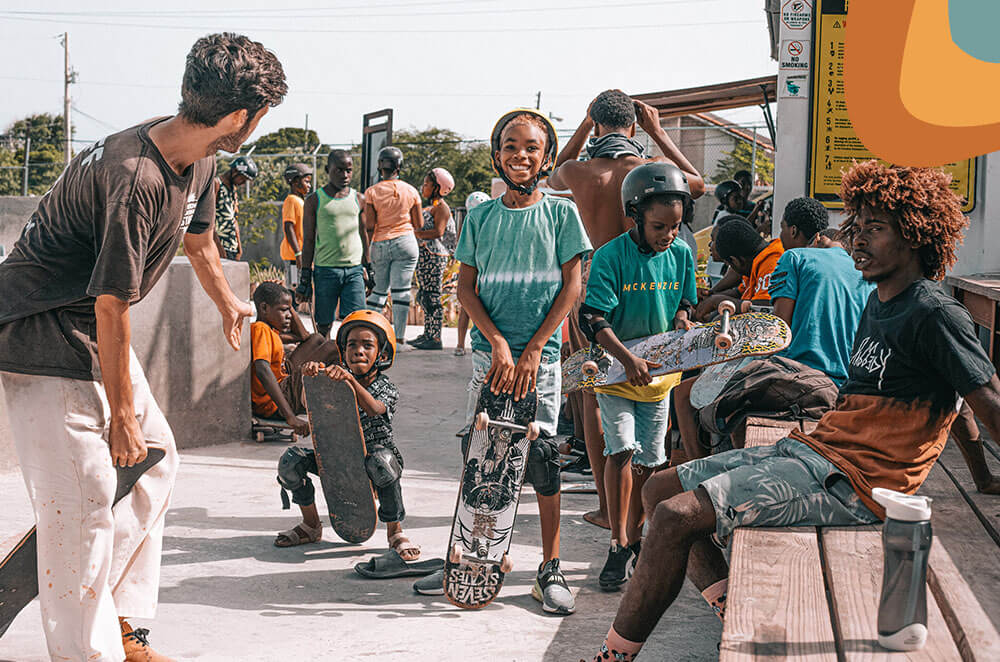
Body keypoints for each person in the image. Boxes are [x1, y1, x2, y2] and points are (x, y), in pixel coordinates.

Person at [583, 161, 1000, 662]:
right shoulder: (879, 301)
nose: (858, 239)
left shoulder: (934, 314)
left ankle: (612, 656)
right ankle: (730, 604)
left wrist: (982, 470)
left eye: (876, 228)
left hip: (861, 485)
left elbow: (984, 402)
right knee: (658, 490)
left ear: (914, 236)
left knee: (675, 517)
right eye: (857, 226)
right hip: (819, 451)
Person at [0, 33, 286, 662]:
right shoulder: (134, 176)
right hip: (42, 332)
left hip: (93, 328)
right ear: (241, 117)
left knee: (154, 464)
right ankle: (85, 651)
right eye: (262, 116)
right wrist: (121, 418)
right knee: (83, 511)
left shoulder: (197, 154)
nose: (260, 126)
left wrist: (228, 302)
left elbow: (200, 239)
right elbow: (112, 305)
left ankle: (124, 621)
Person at [413, 109, 591, 615]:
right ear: (497, 155)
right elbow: (466, 289)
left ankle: (549, 568)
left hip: (543, 361)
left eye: (531, 147)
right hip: (492, 361)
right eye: (510, 146)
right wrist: (498, 344)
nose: (521, 155)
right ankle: (465, 557)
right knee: (480, 456)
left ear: (547, 157)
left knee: (542, 459)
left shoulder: (561, 214)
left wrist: (534, 348)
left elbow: (571, 286)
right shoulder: (483, 217)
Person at [546, 89, 706, 531]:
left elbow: (552, 172)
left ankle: (607, 504)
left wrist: (582, 127)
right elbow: (697, 184)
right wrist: (658, 132)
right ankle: (641, 507)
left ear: (596, 125)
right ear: (634, 127)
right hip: (647, 283)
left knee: (596, 397)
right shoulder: (650, 174)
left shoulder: (579, 172)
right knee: (651, 392)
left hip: (595, 281)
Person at [675, 197, 873, 460]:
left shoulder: (794, 258)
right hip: (846, 384)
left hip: (799, 377)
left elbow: (776, 333)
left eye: (781, 228)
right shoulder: (862, 270)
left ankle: (698, 469)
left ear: (792, 231)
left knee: (685, 395)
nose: (778, 237)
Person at [577, 163, 696, 590]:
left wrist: (683, 320)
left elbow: (685, 301)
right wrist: (627, 359)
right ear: (635, 216)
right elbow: (594, 317)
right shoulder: (611, 256)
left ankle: (636, 536)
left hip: (660, 378)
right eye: (659, 226)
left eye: (675, 226)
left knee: (651, 459)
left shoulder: (681, 254)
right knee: (621, 449)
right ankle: (616, 541)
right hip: (614, 373)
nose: (668, 235)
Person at [273, 311, 426, 565]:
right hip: (336, 459)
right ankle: (311, 525)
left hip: (372, 466)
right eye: (352, 345)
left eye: (368, 346)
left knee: (383, 461)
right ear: (343, 352)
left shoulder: (386, 387)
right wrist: (311, 379)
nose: (359, 351)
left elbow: (375, 409)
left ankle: (395, 532)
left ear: (383, 355)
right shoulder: (334, 379)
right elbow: (308, 405)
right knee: (291, 461)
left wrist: (351, 383)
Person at [250, 282, 341, 444]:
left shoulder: (270, 329)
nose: (289, 315)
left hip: (284, 379)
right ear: (264, 309)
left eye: (289, 310)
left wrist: (287, 303)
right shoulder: (260, 329)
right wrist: (290, 417)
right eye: (284, 310)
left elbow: (304, 336)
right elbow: (262, 368)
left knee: (317, 339)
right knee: (332, 347)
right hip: (276, 401)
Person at [295, 150, 369, 339]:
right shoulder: (315, 200)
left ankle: (348, 365)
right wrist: (305, 276)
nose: (345, 175)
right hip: (326, 271)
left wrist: (369, 266)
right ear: (328, 170)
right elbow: (309, 240)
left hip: (353, 270)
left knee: (355, 321)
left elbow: (363, 233)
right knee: (324, 325)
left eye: (349, 170)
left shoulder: (358, 199)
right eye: (339, 170)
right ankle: (325, 363)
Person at [364, 146, 422, 349]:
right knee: (402, 291)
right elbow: (419, 223)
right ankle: (399, 337)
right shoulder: (411, 190)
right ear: (400, 166)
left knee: (379, 291)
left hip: (380, 242)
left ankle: (370, 334)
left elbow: (370, 225)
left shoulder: (372, 192)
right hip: (406, 241)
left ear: (380, 166)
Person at [695, 218, 783, 319]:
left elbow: (763, 309)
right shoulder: (755, 262)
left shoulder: (772, 261)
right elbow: (740, 292)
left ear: (737, 261)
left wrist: (716, 301)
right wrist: (710, 297)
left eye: (729, 264)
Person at [411, 167, 457, 350]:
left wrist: (415, 233)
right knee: (425, 294)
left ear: (438, 187)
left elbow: (438, 232)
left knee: (432, 296)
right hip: (426, 256)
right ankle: (428, 333)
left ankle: (435, 337)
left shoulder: (441, 208)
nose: (423, 187)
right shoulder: (431, 207)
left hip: (435, 256)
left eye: (426, 184)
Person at [455, 191, 492, 359]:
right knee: (478, 310)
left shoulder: (470, 224)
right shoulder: (491, 223)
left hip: (475, 274)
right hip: (484, 274)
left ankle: (460, 345)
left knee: (466, 310)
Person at [213, 155, 258, 260]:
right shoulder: (216, 185)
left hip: (231, 247)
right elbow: (209, 219)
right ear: (235, 171)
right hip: (217, 246)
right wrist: (219, 247)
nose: (243, 183)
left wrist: (239, 248)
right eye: (243, 178)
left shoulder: (233, 190)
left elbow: (234, 220)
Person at [280, 163, 313, 289]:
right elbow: (289, 227)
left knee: (302, 291)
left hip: (301, 256)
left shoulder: (301, 201)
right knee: (294, 291)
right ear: (294, 181)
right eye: (306, 181)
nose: (309, 186)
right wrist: (298, 253)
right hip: (293, 257)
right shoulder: (291, 200)